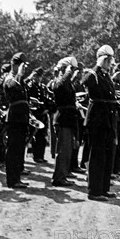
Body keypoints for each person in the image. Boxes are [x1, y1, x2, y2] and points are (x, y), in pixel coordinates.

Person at [82, 45, 119, 201]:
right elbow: (85, 82)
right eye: (108, 59)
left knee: (107, 155)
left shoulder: (106, 76)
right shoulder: (93, 74)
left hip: (107, 120)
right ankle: (94, 191)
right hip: (97, 120)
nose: (111, 63)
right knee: (97, 156)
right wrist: (97, 65)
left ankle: (103, 188)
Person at [3, 53, 30, 188]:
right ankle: (12, 180)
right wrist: (19, 74)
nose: (23, 69)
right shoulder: (10, 78)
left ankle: (17, 177)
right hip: (14, 117)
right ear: (14, 65)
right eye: (21, 65)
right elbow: (15, 89)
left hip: (22, 117)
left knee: (19, 149)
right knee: (13, 149)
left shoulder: (20, 79)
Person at [51, 57, 79, 187]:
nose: (72, 72)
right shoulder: (58, 81)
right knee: (62, 150)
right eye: (70, 69)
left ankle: (63, 175)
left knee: (67, 150)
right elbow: (59, 86)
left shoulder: (68, 83)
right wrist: (68, 72)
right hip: (62, 119)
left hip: (68, 119)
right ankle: (59, 177)